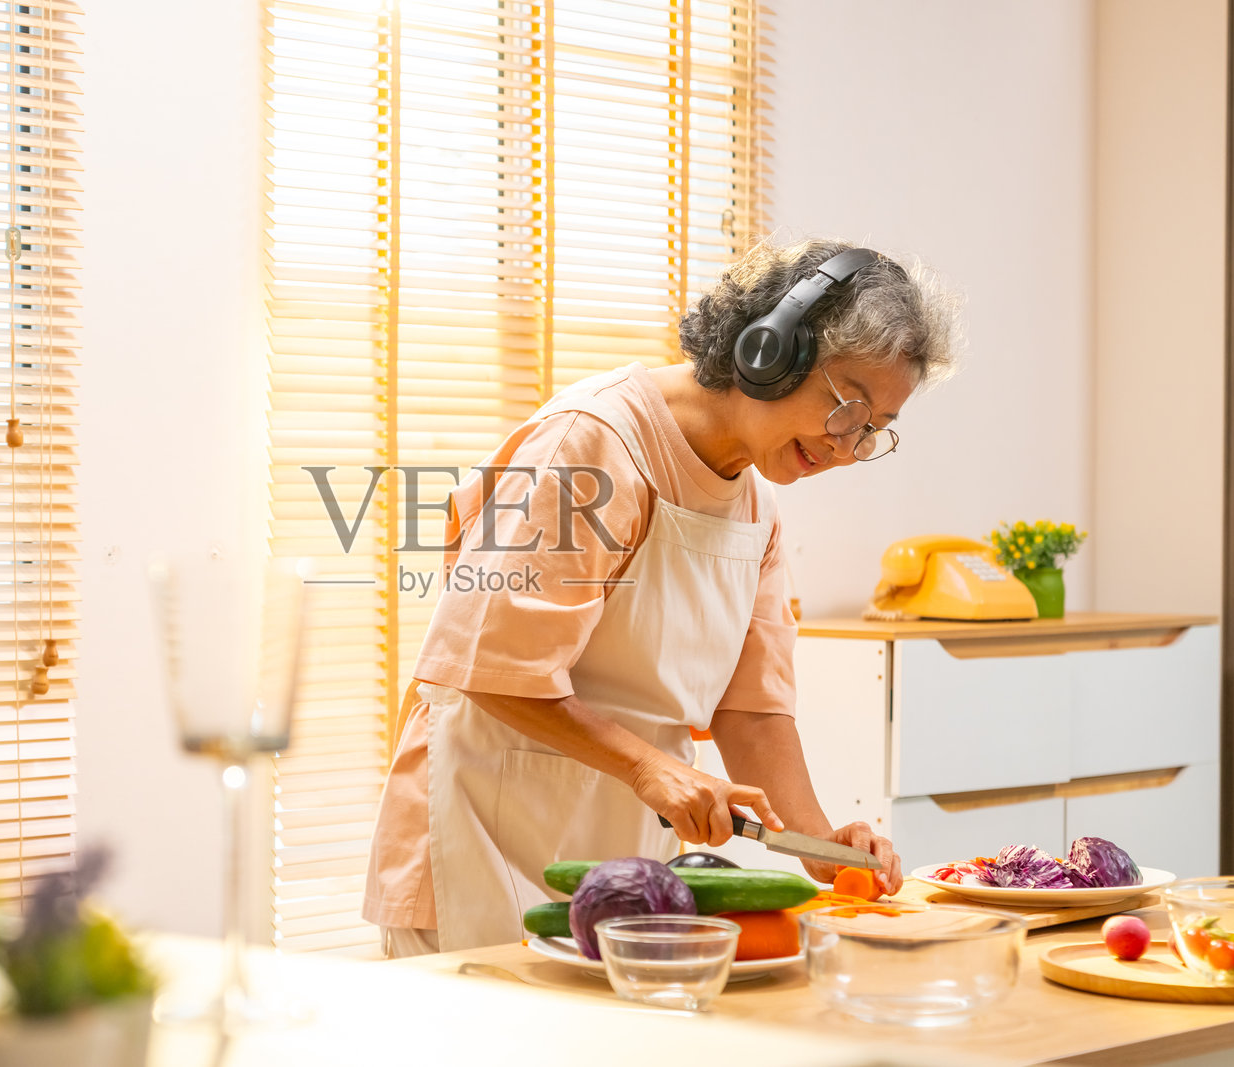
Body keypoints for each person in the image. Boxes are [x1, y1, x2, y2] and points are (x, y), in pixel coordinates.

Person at [362, 237, 962, 956]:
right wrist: (650, 764)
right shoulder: (593, 443)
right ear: (773, 349)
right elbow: (489, 666)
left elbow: (753, 713)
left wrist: (822, 847)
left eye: (873, 432)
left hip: (620, 868)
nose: (845, 446)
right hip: (480, 838)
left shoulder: (755, 509)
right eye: (846, 407)